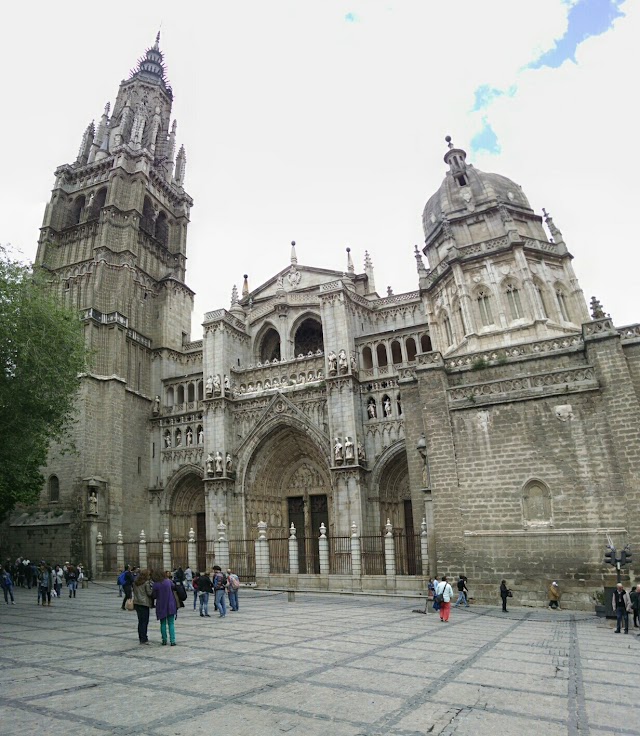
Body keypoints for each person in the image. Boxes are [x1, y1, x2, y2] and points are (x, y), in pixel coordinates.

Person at [151, 569, 177, 646]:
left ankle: (164, 640)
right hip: (170, 604)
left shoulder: (156, 584)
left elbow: (154, 596)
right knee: (171, 623)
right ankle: (172, 640)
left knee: (162, 623)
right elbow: (174, 586)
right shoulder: (168, 581)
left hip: (161, 605)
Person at [132, 570, 154, 644]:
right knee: (145, 622)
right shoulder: (146, 583)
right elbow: (149, 593)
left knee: (140, 621)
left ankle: (141, 637)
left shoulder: (135, 582)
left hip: (137, 603)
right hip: (144, 603)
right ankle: (144, 638)